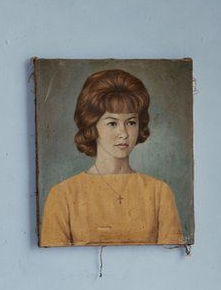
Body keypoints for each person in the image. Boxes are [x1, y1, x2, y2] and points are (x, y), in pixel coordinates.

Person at [39, 69, 185, 247]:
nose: (123, 133)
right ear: (93, 126)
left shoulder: (160, 193)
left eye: (131, 122)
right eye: (112, 123)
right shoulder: (63, 195)